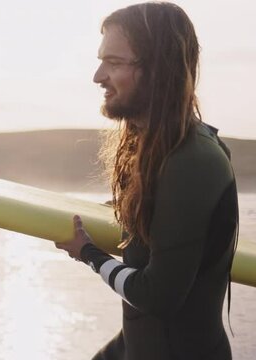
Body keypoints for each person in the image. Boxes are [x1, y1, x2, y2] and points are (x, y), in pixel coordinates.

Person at [55, 3, 239, 359]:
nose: (98, 76)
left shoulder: (193, 161)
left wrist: (89, 253)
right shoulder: (150, 148)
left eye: (114, 62)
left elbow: (158, 297)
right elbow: (152, 227)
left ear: (158, 68)